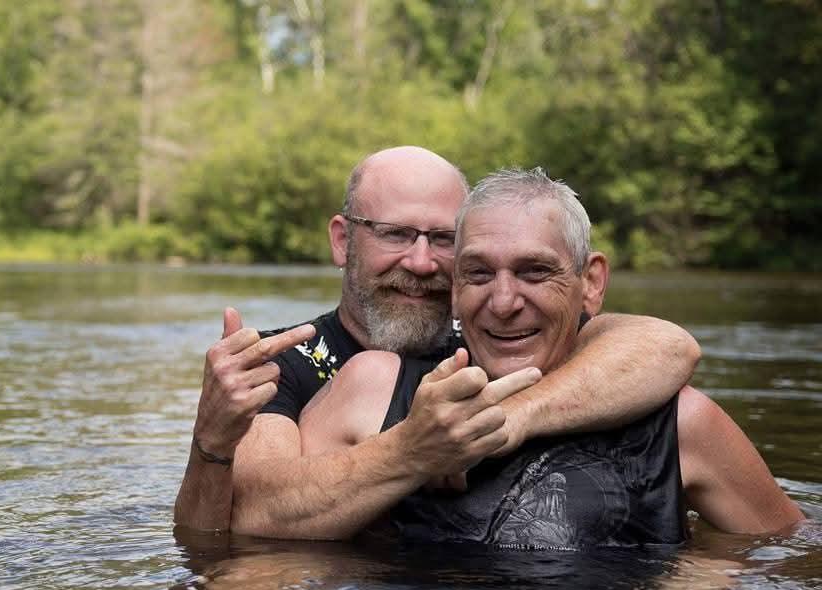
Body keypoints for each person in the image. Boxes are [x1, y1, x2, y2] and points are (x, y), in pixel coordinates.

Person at [174, 146, 702, 536]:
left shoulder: (498, 332)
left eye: (444, 239)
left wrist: (507, 419)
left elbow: (666, 348)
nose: (422, 262)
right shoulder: (280, 362)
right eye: (396, 234)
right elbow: (246, 521)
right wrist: (211, 439)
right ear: (343, 240)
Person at [298, 167, 804, 546]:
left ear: (592, 282)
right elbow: (261, 539)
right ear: (453, 289)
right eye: (477, 274)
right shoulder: (374, 390)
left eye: (535, 272)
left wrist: (701, 581)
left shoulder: (682, 424)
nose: (503, 302)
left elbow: (790, 559)